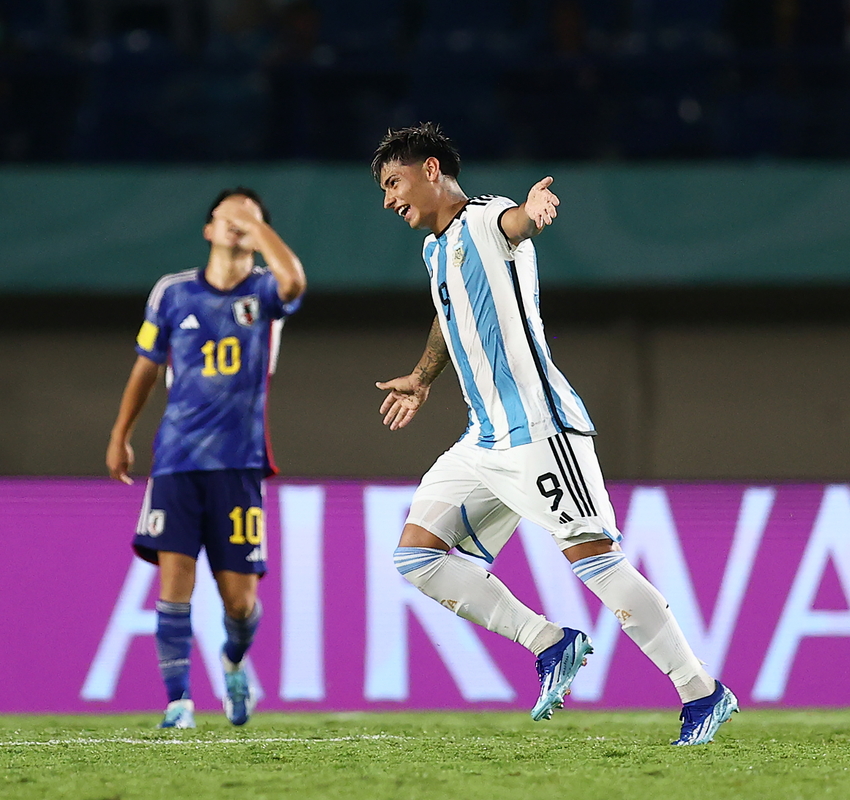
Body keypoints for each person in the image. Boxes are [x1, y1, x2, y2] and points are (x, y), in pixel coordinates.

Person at [371, 123, 737, 745]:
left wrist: (534, 213)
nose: (388, 199)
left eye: (393, 183)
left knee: (596, 563)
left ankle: (701, 691)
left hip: (539, 429)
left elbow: (514, 222)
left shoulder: (487, 218)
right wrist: (423, 376)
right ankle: (550, 643)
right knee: (416, 554)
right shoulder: (436, 251)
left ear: (431, 170)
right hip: (483, 440)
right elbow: (448, 312)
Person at [106, 188, 306, 729]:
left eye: (250, 215)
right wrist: (121, 432)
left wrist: (256, 227)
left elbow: (295, 283)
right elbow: (146, 366)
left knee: (239, 603)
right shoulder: (172, 293)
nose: (238, 221)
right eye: (229, 214)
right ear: (207, 229)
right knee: (174, 584)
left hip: (239, 465)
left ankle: (234, 660)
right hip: (176, 460)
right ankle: (178, 704)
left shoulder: (264, 292)